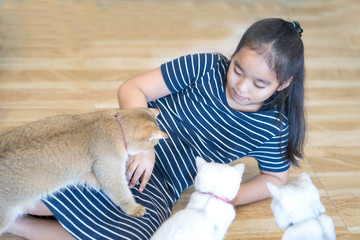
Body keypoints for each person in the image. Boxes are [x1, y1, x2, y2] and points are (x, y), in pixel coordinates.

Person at [6, 18, 306, 240]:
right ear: (235, 53)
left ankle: (14, 225)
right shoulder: (204, 67)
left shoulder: (273, 127)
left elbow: (276, 179)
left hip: (161, 186)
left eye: (259, 83)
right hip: (121, 144)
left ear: (283, 83)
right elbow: (132, 87)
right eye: (237, 69)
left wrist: (224, 197)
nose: (241, 86)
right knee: (48, 198)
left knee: (130, 233)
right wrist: (146, 149)